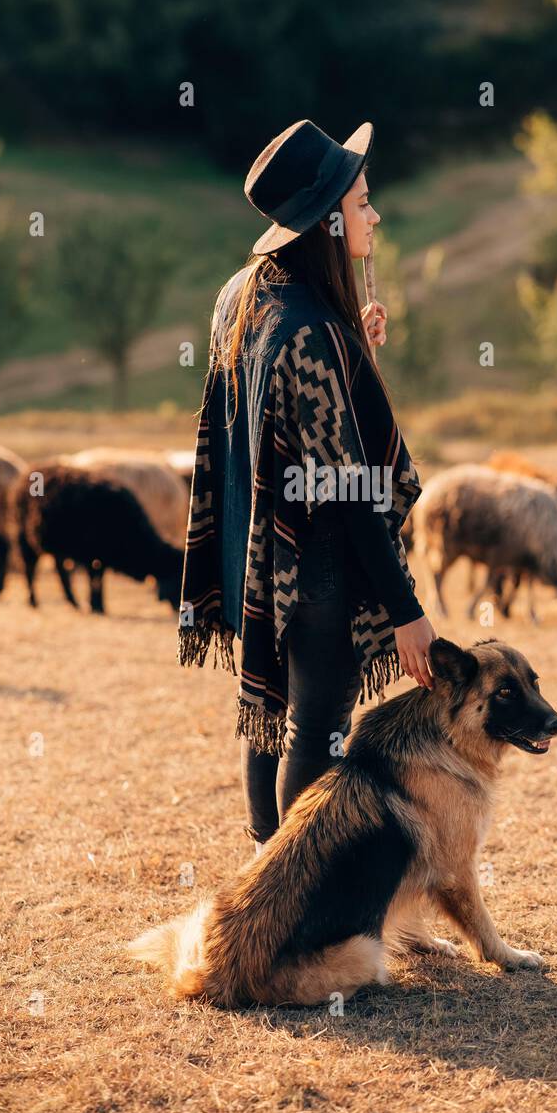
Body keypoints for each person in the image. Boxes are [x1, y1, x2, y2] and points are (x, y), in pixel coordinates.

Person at [178, 118, 436, 849]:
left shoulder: (248, 294)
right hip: (318, 567)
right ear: (326, 221)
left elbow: (277, 421)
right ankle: (292, 902)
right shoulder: (311, 334)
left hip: (261, 556)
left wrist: (353, 340)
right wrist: (405, 608)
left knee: (269, 715)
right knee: (318, 729)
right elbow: (352, 490)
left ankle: (266, 874)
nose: (373, 213)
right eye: (360, 201)